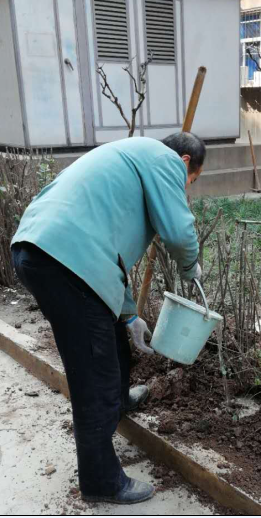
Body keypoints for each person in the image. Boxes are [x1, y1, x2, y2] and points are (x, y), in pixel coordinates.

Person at [11, 132, 205, 504]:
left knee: (110, 340)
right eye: (190, 183)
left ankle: (118, 401)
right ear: (184, 163)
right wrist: (191, 265)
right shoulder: (166, 162)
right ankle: (101, 481)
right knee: (94, 373)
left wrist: (129, 315)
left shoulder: (130, 155)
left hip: (39, 249)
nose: (186, 189)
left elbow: (107, 256)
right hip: (64, 261)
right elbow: (179, 233)